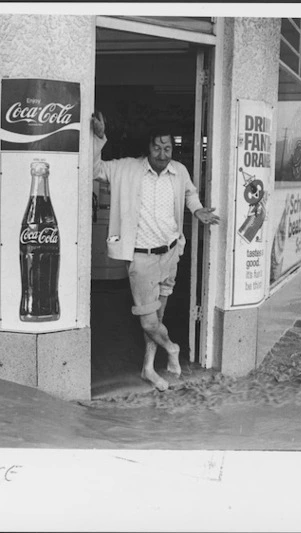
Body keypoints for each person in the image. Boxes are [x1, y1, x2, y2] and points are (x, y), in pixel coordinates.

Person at [92, 111, 220, 391]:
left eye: (168, 148)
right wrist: (99, 137)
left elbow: (189, 192)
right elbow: (94, 169)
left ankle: (148, 368)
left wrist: (197, 209)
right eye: (157, 147)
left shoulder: (179, 171)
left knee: (158, 317)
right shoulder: (126, 168)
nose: (163, 154)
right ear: (147, 147)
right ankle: (172, 349)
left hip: (171, 253)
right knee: (149, 321)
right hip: (141, 257)